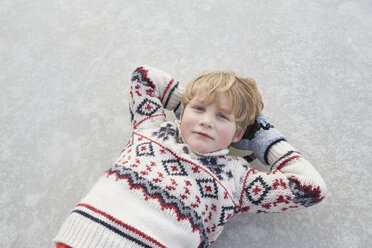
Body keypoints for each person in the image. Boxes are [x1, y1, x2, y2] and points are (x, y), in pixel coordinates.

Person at [54, 65, 327, 248]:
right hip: (83, 238)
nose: (206, 121)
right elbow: (144, 76)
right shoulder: (152, 127)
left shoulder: (238, 180)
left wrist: (263, 139)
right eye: (199, 109)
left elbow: (311, 188)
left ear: (238, 133)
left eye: (222, 116)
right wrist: (192, 102)